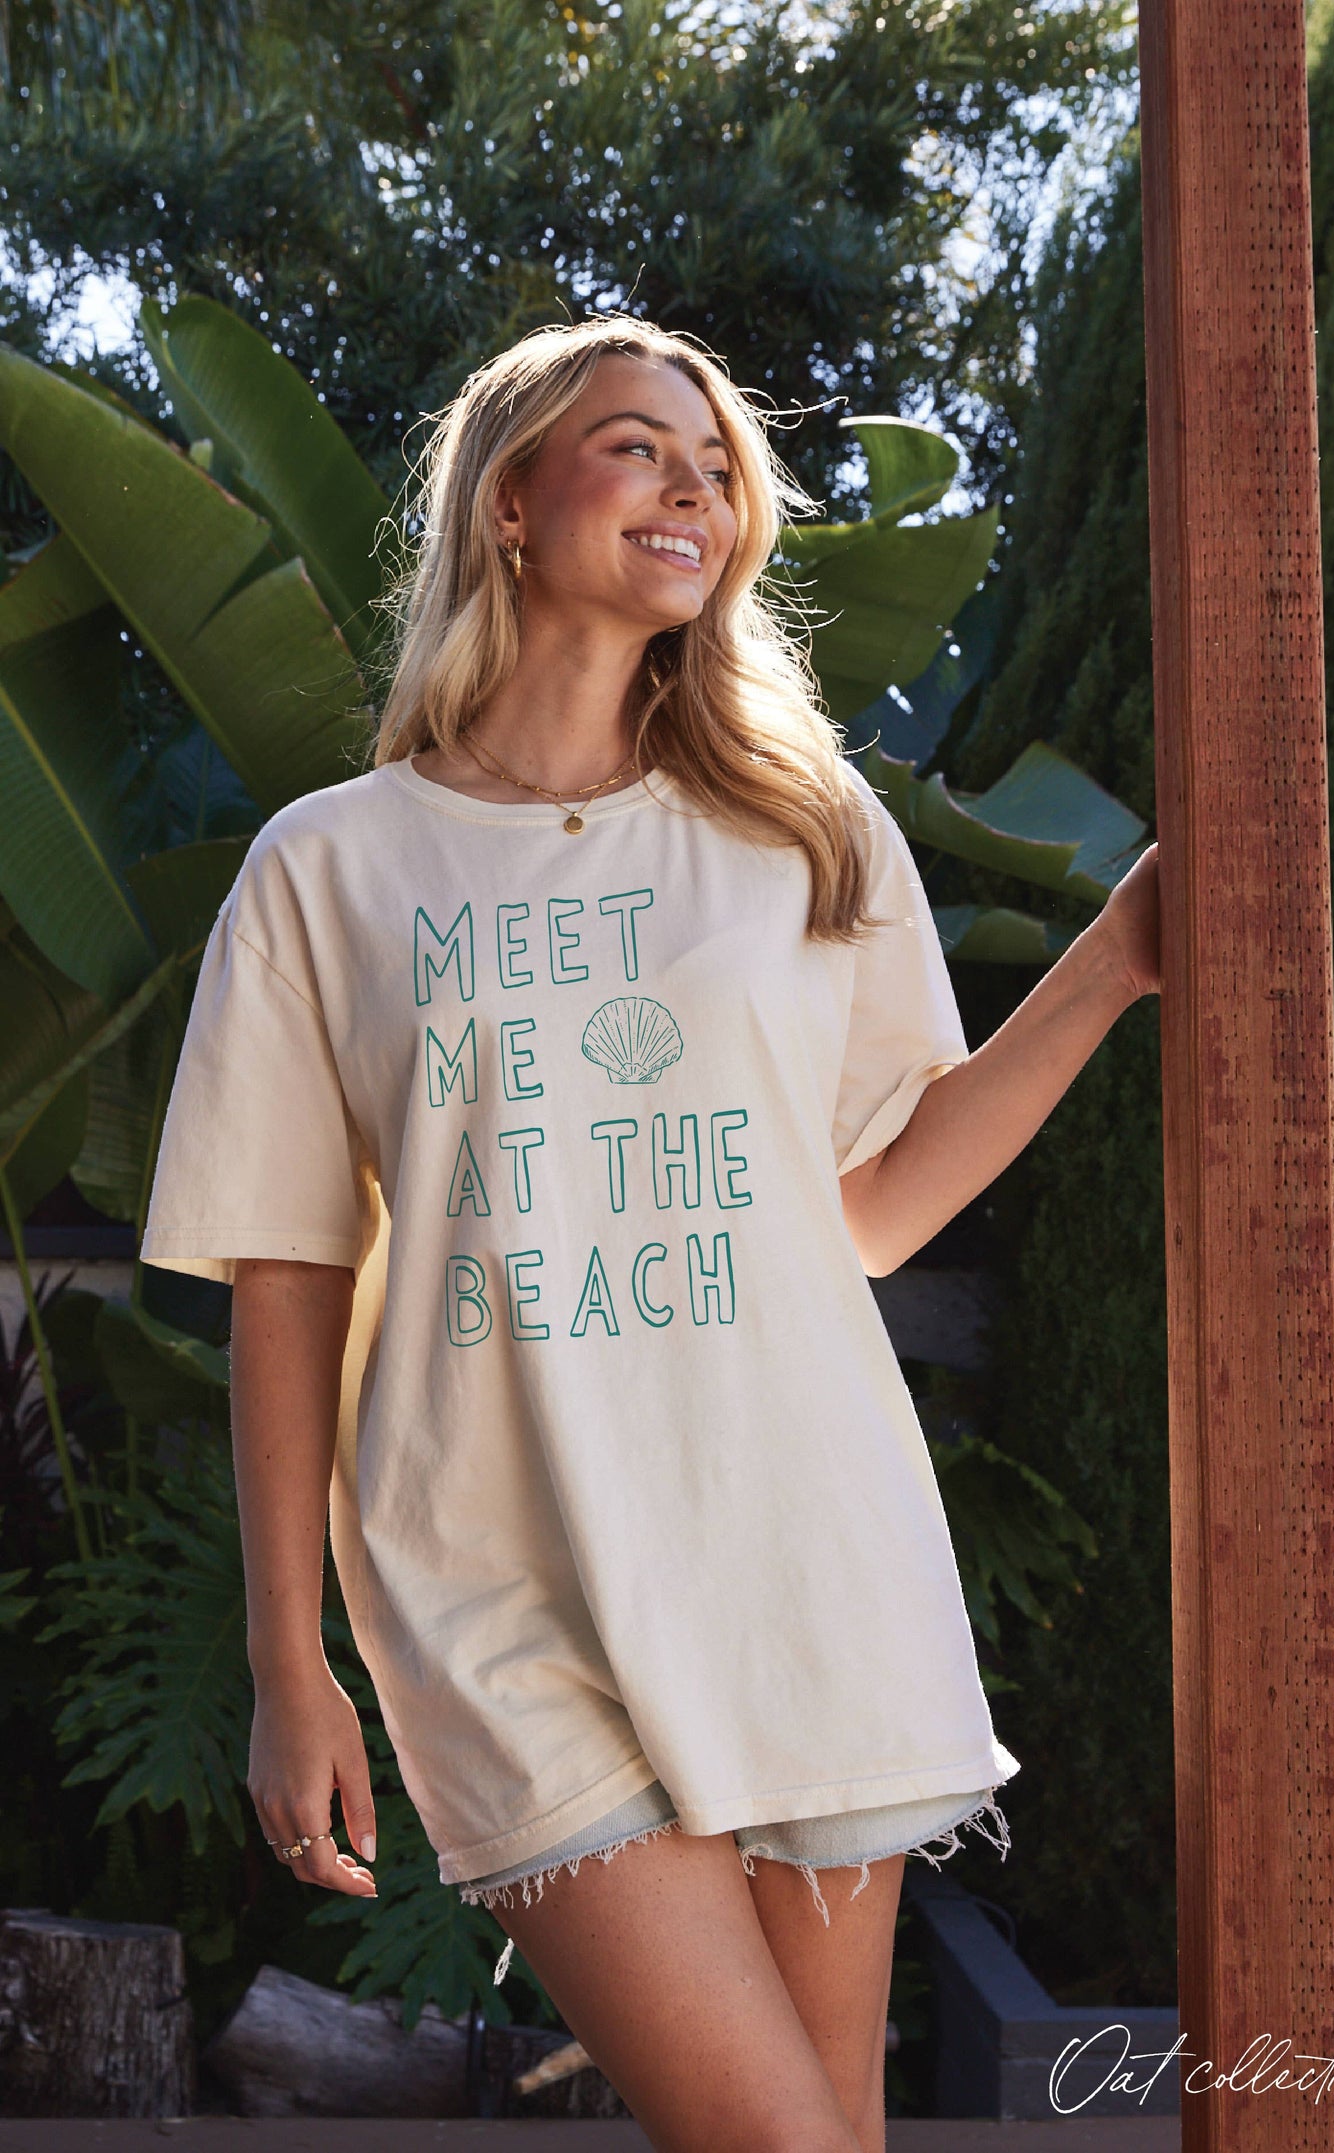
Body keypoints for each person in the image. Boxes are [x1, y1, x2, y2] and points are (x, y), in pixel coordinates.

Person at [141, 313, 1160, 2153]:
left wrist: (1110, 966)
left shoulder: (802, 829)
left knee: (826, 2127)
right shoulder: (330, 866)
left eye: (715, 469)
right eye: (637, 447)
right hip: (494, 1591)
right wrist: (293, 1662)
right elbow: (285, 1280)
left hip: (796, 1551)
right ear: (510, 500)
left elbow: (877, 1203)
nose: (690, 489)